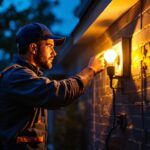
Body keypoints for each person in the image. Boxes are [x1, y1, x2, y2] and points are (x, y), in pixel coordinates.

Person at [0, 22, 104, 150]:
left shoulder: (28, 76)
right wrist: (90, 70)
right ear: (33, 48)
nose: (54, 53)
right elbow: (58, 93)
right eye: (49, 46)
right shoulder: (16, 76)